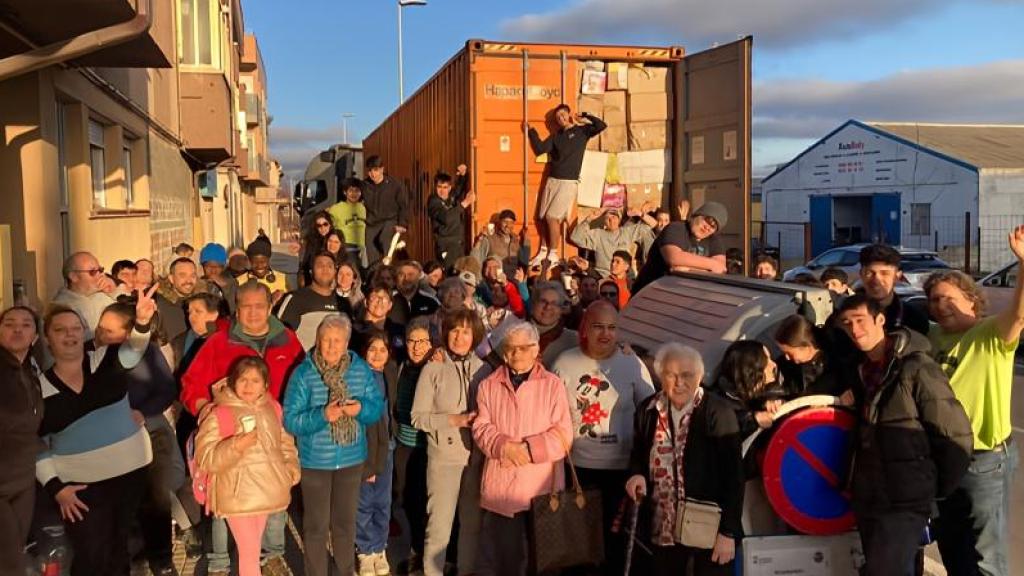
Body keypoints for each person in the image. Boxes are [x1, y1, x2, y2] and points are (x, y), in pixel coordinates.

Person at [833, 294, 973, 576]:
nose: (855, 330)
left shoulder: (916, 367)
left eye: (860, 321)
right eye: (847, 324)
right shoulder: (860, 371)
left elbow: (955, 434)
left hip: (906, 500)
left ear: (880, 320)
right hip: (870, 497)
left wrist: (930, 489)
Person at [180, 281, 304, 575]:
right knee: (225, 509)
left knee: (274, 507)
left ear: (269, 307)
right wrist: (205, 409)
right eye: (246, 306)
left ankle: (272, 555)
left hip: (272, 443)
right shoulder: (219, 342)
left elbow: (303, 380)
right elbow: (190, 384)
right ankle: (220, 562)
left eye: (259, 306)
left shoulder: (287, 340)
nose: (252, 312)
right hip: (231, 448)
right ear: (236, 308)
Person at [924, 226, 1024, 576]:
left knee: (985, 556)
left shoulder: (990, 334)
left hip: (983, 460)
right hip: (941, 459)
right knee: (952, 546)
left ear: (972, 300)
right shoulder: (930, 337)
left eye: (950, 298)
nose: (941, 305)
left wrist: (1023, 262)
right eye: (935, 299)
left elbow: (1020, 314)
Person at [36, 288, 157, 575]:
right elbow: (36, 444)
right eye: (60, 330)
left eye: (76, 328)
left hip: (131, 474)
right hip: (80, 487)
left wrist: (141, 321)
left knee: (120, 551)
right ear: (47, 338)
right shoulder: (37, 389)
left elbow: (135, 348)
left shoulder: (105, 359)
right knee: (91, 556)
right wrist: (57, 489)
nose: (70, 335)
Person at [551, 301, 654, 575]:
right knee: (580, 546)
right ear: (584, 328)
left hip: (621, 471)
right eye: (598, 327)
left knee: (615, 546)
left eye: (612, 328)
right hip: (578, 469)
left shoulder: (631, 362)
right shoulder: (565, 363)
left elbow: (652, 410)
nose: (605, 334)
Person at [626, 343, 744, 575]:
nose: (679, 383)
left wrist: (728, 533)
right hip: (662, 529)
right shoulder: (648, 410)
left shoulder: (718, 413)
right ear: (660, 376)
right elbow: (638, 454)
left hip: (707, 531)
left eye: (687, 375)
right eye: (671, 375)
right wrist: (636, 474)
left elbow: (734, 477)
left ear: (699, 377)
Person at [283, 315, 384, 576]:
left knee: (345, 525)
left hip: (351, 460)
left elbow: (375, 409)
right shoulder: (304, 373)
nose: (330, 346)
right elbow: (291, 420)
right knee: (316, 526)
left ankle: (344, 571)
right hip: (315, 461)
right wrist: (322, 416)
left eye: (336, 341)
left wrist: (361, 408)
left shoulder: (360, 370)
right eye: (325, 340)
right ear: (317, 340)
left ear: (346, 343)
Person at [472, 320, 573, 576]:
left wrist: (528, 449)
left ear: (536, 348)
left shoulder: (552, 385)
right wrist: (503, 445)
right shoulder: (488, 385)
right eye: (511, 348)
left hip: (542, 486)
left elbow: (563, 435)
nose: (517, 354)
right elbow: (481, 427)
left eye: (524, 347)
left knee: (545, 560)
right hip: (503, 486)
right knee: (507, 559)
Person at [96, 303, 182, 576]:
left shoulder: (148, 352)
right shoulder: (88, 354)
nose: (101, 333)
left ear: (127, 333)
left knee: (156, 498)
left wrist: (143, 412)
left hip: (149, 430)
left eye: (109, 330)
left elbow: (167, 390)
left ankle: (162, 561)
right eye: (100, 326)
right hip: (108, 438)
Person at [196, 357, 300, 576]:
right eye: (243, 380)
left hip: (265, 491)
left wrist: (290, 469)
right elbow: (205, 458)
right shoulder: (219, 412)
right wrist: (235, 446)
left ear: (265, 384)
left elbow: (285, 443)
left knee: (251, 552)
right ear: (233, 382)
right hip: (237, 495)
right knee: (249, 551)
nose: (248, 386)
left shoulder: (272, 408)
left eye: (255, 380)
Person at [411, 309, 493, 576]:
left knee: (471, 524)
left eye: (466, 331)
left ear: (475, 336)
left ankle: (466, 570)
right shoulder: (433, 368)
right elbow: (417, 417)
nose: (459, 337)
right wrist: (454, 420)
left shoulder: (485, 369)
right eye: (455, 330)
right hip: (444, 456)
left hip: (477, 457)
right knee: (439, 526)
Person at [526, 104, 607, 265]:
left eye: (563, 115)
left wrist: (585, 115)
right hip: (552, 180)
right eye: (558, 118)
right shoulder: (557, 137)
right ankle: (543, 250)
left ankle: (554, 253)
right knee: (541, 218)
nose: (561, 119)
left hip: (568, 182)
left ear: (569, 115)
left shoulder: (582, 131)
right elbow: (540, 149)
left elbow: (601, 125)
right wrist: (531, 132)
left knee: (552, 217)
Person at [0, 306, 43, 576]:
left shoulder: (30, 369)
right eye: (9, 324)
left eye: (26, 325)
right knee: (10, 564)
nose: (17, 329)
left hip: (23, 480)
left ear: (36, 336)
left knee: (15, 553)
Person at [391, 317, 433, 573]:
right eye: (411, 341)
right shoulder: (401, 366)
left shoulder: (436, 368)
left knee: (430, 502)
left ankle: (437, 554)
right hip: (404, 443)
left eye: (422, 341)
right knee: (408, 499)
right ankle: (417, 549)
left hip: (429, 446)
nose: (416, 346)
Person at [356, 330, 398, 576]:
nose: (377, 354)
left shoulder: (390, 372)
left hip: (389, 446)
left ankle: (379, 547)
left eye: (383, 350)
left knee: (383, 501)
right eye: (372, 349)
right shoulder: (359, 377)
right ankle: (365, 549)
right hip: (366, 447)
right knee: (364, 502)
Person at [632, 202, 729, 294]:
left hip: (683, 297)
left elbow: (720, 269)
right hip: (649, 293)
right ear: (697, 215)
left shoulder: (714, 240)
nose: (708, 227)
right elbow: (674, 258)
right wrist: (711, 265)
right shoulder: (675, 228)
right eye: (708, 221)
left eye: (713, 227)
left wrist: (686, 269)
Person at [276, 251, 354, 350]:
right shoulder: (296, 299)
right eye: (320, 265)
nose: (325, 269)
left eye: (329, 266)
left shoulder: (344, 304)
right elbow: (279, 337)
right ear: (311, 271)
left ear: (335, 271)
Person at [711, 340, 783, 439]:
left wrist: (765, 403)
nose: (774, 364)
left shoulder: (750, 390)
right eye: (766, 361)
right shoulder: (717, 407)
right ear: (751, 372)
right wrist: (753, 420)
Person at [773, 314, 854, 401]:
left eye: (789, 353)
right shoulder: (786, 366)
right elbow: (778, 389)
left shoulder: (839, 358)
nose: (787, 358)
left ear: (806, 346)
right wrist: (773, 399)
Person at [857, 244, 929, 335]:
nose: (876, 280)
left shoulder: (914, 318)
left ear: (897, 276)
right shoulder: (845, 315)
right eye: (870, 273)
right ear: (861, 274)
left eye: (884, 273)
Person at [570, 206, 653, 277]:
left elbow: (652, 226)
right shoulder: (598, 234)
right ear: (604, 221)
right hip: (603, 277)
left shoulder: (626, 232)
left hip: (624, 277)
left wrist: (640, 213)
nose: (611, 220)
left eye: (614, 217)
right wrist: (590, 218)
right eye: (607, 218)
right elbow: (575, 237)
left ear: (619, 219)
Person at [51, 251, 119, 339]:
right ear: (74, 276)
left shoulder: (103, 297)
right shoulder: (60, 307)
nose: (100, 276)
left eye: (100, 270)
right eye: (93, 272)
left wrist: (114, 292)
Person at [363, 156, 410, 267]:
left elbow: (403, 205)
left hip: (389, 220)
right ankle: (375, 275)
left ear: (382, 169)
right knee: (371, 252)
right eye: (370, 171)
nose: (372, 174)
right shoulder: (365, 185)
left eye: (375, 170)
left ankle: (388, 270)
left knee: (384, 240)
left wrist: (402, 224)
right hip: (372, 223)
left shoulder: (395, 185)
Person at [428, 166, 474, 270]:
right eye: (439, 187)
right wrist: (464, 204)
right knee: (450, 272)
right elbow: (446, 218)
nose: (442, 191)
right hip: (445, 245)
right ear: (435, 187)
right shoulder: (433, 202)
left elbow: (458, 189)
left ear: (449, 188)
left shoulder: (451, 197)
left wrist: (463, 174)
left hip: (458, 244)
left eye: (445, 187)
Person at [156, 257, 208, 344]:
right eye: (182, 275)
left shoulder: (205, 302)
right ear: (171, 279)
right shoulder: (158, 304)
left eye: (193, 275)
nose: (188, 280)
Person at [352, 283, 406, 356]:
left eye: (384, 298)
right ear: (366, 302)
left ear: (390, 305)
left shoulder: (398, 331)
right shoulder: (354, 330)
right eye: (375, 297)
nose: (380, 301)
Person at [237, 237, 289, 305]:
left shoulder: (282, 278)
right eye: (254, 262)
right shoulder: (239, 281)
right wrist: (271, 300)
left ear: (269, 259)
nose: (259, 266)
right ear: (249, 261)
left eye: (263, 262)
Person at [328, 178, 368, 265]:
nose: (354, 194)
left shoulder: (363, 208)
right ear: (345, 192)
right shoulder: (335, 209)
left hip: (362, 249)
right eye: (350, 190)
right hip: (346, 248)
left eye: (357, 191)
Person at [390, 260, 440, 326]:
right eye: (401, 274)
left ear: (418, 277)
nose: (406, 278)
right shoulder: (388, 299)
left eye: (410, 275)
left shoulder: (431, 301)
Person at [300, 211, 337, 286]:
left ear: (330, 224)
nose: (322, 228)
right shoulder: (312, 241)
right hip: (314, 277)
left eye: (325, 224)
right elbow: (306, 263)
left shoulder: (336, 237)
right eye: (319, 225)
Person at [199, 243, 238, 315]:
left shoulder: (231, 283)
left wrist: (225, 287)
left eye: (217, 266)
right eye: (208, 266)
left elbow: (232, 309)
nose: (213, 270)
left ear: (223, 267)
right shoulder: (198, 284)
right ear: (203, 266)